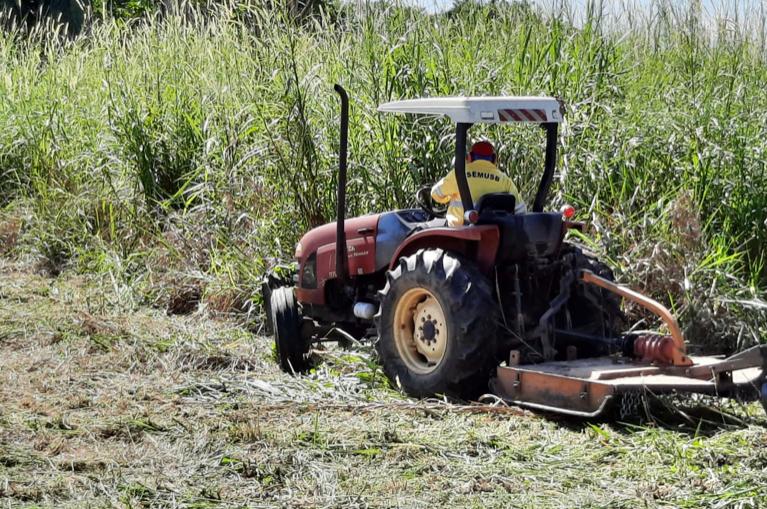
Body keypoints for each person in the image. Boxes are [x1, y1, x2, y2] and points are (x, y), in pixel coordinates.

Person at [431, 141, 526, 227]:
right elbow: (520, 209)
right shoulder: (504, 180)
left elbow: (436, 193)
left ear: (470, 157)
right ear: (493, 159)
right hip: (494, 234)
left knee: (425, 226)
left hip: (458, 230)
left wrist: (449, 198)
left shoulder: (459, 173)